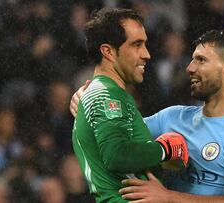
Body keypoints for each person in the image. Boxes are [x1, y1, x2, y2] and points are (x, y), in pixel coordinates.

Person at [71, 29, 224, 203]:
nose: (190, 68)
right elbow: (118, 137)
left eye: (201, 60)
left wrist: (168, 197)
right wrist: (90, 104)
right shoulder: (172, 117)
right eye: (193, 59)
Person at [71, 7, 188, 203]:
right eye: (136, 45)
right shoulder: (106, 96)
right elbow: (116, 155)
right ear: (108, 51)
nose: (146, 54)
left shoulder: (103, 94)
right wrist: (163, 150)